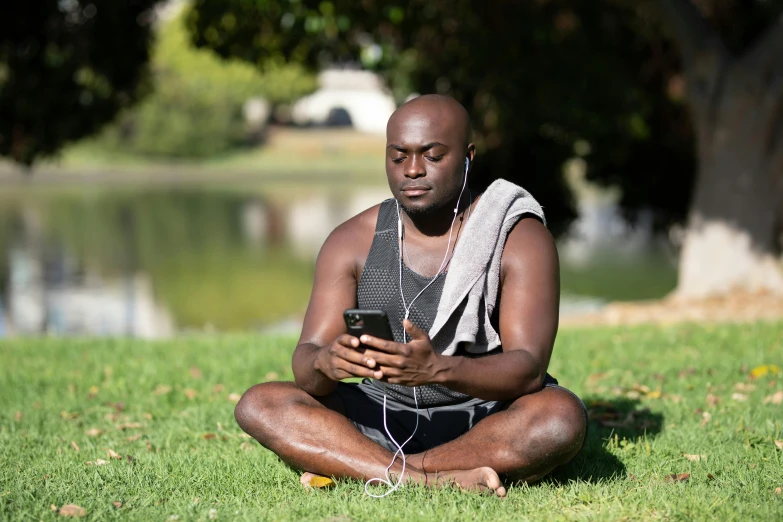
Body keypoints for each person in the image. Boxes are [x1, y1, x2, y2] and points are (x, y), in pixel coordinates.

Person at [235, 94, 588, 497]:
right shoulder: (351, 241)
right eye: (398, 156)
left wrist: (437, 369)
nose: (413, 170)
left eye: (432, 155)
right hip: (381, 413)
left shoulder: (519, 238)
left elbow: (528, 369)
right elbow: (306, 365)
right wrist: (327, 361)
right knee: (261, 404)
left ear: (468, 156)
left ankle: (367, 466)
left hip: (485, 416)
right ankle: (427, 479)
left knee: (559, 417)